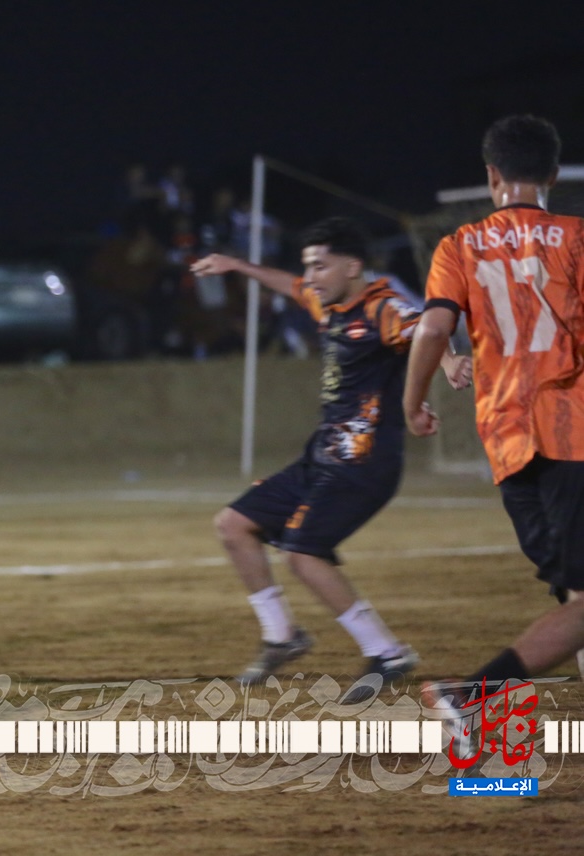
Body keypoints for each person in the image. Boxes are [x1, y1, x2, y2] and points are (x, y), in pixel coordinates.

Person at [191, 218, 470, 702]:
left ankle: (387, 652)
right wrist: (237, 265)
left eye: (320, 266)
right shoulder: (328, 302)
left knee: (302, 554)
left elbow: (427, 329)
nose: (311, 277)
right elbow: (290, 285)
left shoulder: (382, 306)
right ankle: (282, 636)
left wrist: (448, 362)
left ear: (353, 266)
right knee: (234, 526)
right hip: (323, 456)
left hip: (364, 461)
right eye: (309, 266)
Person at [404, 114, 584, 756]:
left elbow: (433, 329)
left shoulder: (459, 245)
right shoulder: (577, 238)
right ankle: (474, 695)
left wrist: (413, 402)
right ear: (554, 174)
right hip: (572, 432)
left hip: (507, 443)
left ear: (491, 176)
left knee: (573, 590)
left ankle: (484, 731)